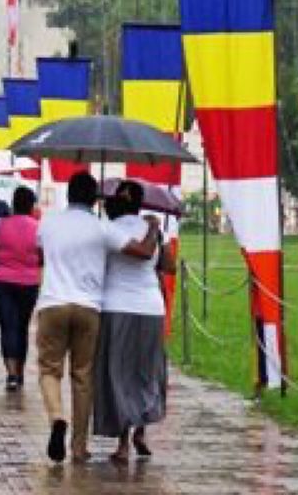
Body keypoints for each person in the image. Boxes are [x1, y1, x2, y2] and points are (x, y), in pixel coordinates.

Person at [34, 172, 159, 465]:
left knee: (50, 370)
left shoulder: (49, 222)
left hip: (53, 303)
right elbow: (142, 252)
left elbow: (39, 254)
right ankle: (79, 447)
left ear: (68, 195)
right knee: (83, 376)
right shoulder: (103, 228)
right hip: (90, 308)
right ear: (95, 199)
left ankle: (56, 418)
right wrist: (154, 228)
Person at [95, 180, 171, 464]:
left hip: (116, 306)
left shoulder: (109, 230)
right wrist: (156, 232)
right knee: (146, 370)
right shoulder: (149, 229)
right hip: (151, 308)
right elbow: (169, 265)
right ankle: (141, 430)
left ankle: (123, 443)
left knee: (120, 373)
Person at [0, 186, 42, 392]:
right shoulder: (38, 227)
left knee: (7, 326)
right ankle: (20, 371)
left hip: (1, 282)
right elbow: (43, 256)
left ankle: (12, 373)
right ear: (31, 205)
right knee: (22, 326)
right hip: (29, 283)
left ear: (14, 204)